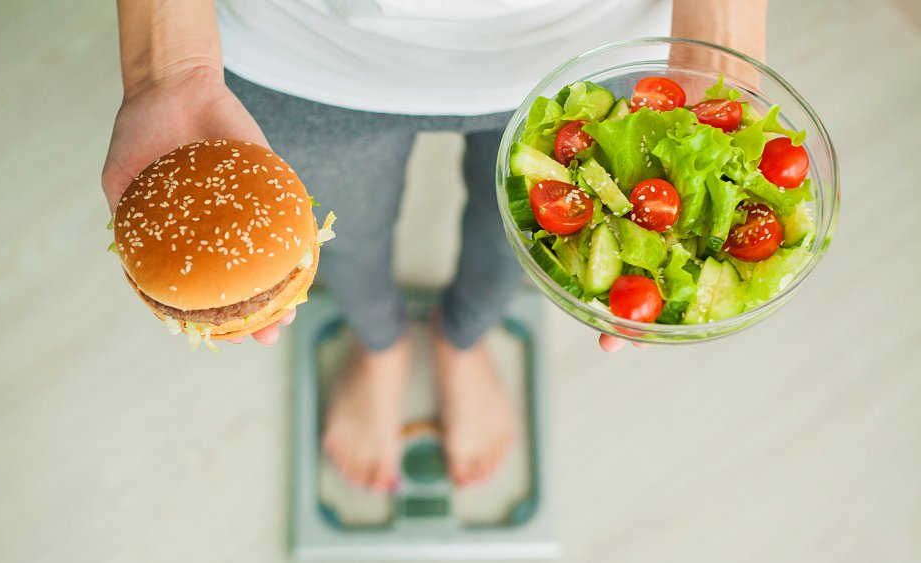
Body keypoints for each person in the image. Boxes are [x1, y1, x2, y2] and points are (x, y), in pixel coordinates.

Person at [102, 0, 766, 491]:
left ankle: (465, 335)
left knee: (524, 243)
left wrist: (716, 56)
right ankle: (380, 340)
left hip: (592, 42)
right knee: (341, 237)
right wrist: (169, 66)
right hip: (298, 48)